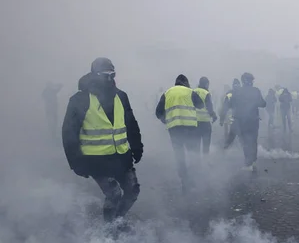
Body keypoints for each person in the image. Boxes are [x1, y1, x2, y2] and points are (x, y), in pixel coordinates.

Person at [62, 57, 143, 226]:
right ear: (94, 75)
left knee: (132, 191)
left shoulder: (121, 96)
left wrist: (137, 146)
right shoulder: (80, 100)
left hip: (121, 157)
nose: (109, 78)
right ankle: (109, 228)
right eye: (104, 74)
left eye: (112, 74)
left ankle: (118, 220)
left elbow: (130, 123)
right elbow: (69, 132)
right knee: (114, 194)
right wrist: (75, 162)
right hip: (95, 160)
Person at [156, 74, 204, 192]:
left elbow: (158, 112)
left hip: (175, 129)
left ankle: (184, 180)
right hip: (190, 128)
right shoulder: (190, 91)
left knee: (179, 155)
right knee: (193, 152)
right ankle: (194, 178)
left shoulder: (167, 93)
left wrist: (165, 120)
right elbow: (201, 105)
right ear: (186, 83)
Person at [228, 72, 266, 171]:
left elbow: (231, 104)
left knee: (245, 141)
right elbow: (263, 103)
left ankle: (247, 161)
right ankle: (253, 160)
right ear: (248, 80)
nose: (253, 82)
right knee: (253, 140)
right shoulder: (256, 91)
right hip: (253, 120)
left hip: (241, 120)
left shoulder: (237, 91)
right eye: (252, 80)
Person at [193, 76, 218, 155]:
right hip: (205, 122)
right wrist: (214, 116)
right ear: (206, 84)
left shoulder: (193, 91)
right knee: (206, 143)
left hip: (194, 122)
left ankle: (196, 161)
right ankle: (205, 161)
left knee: (196, 143)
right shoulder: (206, 93)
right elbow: (209, 107)